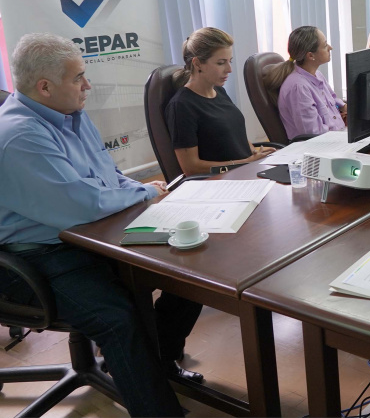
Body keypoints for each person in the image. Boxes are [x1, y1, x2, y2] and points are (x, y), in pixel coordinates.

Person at [0, 33, 203, 417]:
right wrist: (145, 193)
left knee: (192, 267)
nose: (88, 85)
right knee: (117, 320)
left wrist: (141, 191)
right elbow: (81, 204)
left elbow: (106, 177)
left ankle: (154, 363)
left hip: (86, 234)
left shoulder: (69, 114)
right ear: (44, 87)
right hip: (35, 256)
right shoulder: (20, 135)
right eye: (78, 77)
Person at [166, 27, 276, 175]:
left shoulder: (219, 92)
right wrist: (244, 163)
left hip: (245, 171)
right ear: (197, 64)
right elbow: (191, 168)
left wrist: (254, 151)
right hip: (222, 181)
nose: (229, 69)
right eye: (221, 63)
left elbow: (233, 135)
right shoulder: (181, 106)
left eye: (230, 61)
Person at [265, 26, 347, 140]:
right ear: (310, 55)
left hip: (337, 136)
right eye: (325, 45)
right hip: (321, 144)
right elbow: (312, 134)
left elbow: (332, 100)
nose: (330, 47)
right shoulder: (298, 87)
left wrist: (344, 107)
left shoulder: (317, 74)